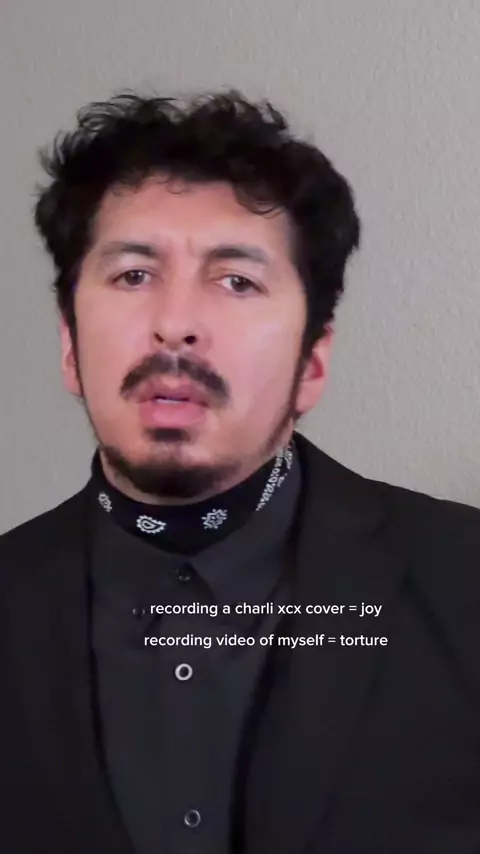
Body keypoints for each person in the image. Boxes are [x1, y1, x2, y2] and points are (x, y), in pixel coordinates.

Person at [1, 90, 480, 854]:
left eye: (236, 282)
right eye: (133, 275)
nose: (175, 325)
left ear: (311, 363)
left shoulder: (464, 579)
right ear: (69, 347)